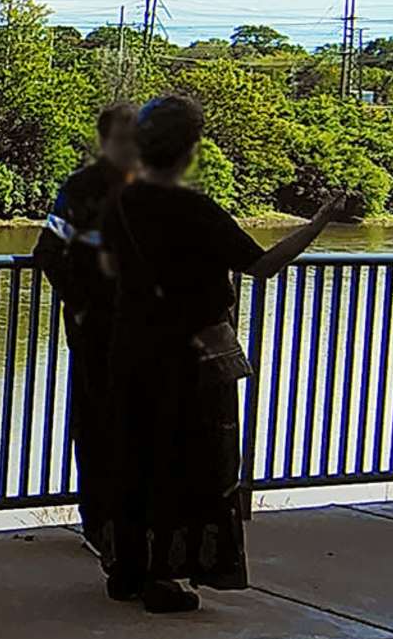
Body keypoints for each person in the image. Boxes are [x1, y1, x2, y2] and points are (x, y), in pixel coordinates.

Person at [95, 95, 342, 611]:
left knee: (134, 455)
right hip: (188, 357)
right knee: (186, 462)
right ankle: (166, 576)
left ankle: (127, 569)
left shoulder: (120, 202)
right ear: (189, 150)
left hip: (131, 348)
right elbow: (262, 265)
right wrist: (317, 222)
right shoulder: (196, 209)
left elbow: (110, 272)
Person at [30, 105, 141, 559]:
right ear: (104, 141)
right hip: (97, 331)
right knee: (97, 425)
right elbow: (48, 251)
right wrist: (81, 307)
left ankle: (129, 524)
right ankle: (99, 524)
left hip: (147, 332)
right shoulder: (81, 189)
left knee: (137, 427)